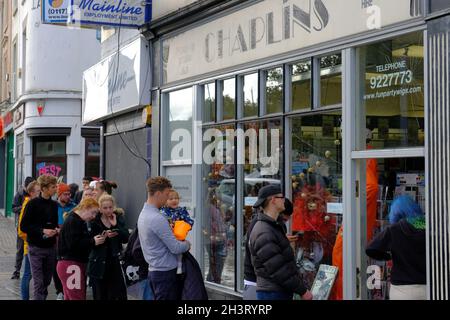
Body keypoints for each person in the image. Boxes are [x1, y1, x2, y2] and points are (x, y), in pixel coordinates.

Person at [248, 185, 313, 300]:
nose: (284, 200)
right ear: (273, 200)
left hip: (278, 291)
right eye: (281, 197)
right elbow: (278, 269)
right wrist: (302, 291)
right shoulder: (264, 230)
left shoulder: (273, 226)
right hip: (273, 293)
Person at [138, 177, 191, 300]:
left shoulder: (144, 213)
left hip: (155, 270)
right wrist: (187, 244)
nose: (168, 198)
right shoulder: (157, 218)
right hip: (165, 273)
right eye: (167, 194)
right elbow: (176, 248)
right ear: (158, 193)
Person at [366, 195, 426, 300]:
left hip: (401, 290)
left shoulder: (394, 230)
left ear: (395, 212)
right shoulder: (429, 227)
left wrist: (388, 256)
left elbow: (371, 249)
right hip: (429, 288)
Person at [243, 198, 295, 300]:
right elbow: (271, 261)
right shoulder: (261, 226)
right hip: (257, 282)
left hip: (263, 283)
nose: (285, 222)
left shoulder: (273, 225)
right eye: (284, 219)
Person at [57, 198, 106, 300]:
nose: (93, 216)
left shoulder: (75, 220)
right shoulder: (74, 221)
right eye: (93, 213)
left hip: (70, 264)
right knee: (77, 297)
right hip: (72, 265)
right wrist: (93, 241)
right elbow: (73, 244)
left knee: (71, 297)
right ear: (85, 208)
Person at [20, 174, 59, 300]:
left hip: (51, 247)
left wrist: (56, 230)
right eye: (53, 187)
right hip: (35, 248)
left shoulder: (54, 205)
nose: (56, 189)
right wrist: (42, 230)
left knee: (47, 281)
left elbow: (53, 223)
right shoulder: (32, 204)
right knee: (39, 282)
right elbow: (23, 226)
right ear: (44, 188)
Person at [88, 194, 129, 300]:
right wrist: (97, 240)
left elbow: (126, 238)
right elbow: (88, 242)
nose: (108, 210)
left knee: (118, 293)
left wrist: (115, 226)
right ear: (100, 209)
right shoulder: (94, 221)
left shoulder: (118, 218)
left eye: (110, 207)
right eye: (105, 208)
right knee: (101, 294)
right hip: (98, 262)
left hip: (114, 261)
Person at [161, 189, 194, 274]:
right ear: (165, 201)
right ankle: (170, 265)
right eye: (171, 199)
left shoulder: (181, 210)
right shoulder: (164, 211)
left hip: (179, 235)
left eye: (176, 198)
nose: (174, 200)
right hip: (169, 235)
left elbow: (189, 220)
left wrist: (187, 226)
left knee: (179, 251)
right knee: (169, 250)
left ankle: (179, 265)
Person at [53, 183, 78, 300]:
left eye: (69, 194)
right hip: (55, 242)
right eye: (65, 194)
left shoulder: (74, 206)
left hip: (70, 242)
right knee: (56, 267)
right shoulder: (53, 207)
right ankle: (59, 291)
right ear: (59, 195)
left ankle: (67, 290)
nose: (68, 196)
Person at [17, 181, 41, 300]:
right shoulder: (28, 204)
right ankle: (24, 298)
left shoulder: (35, 203)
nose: (40, 193)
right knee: (27, 274)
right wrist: (33, 237)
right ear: (31, 193)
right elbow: (21, 229)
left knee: (30, 274)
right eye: (38, 191)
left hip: (34, 244)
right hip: (30, 245)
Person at [11, 176, 35, 279]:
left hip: (33, 227)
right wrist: (25, 207)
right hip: (21, 227)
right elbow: (13, 208)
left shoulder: (35, 195)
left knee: (33, 249)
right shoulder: (19, 194)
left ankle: (32, 270)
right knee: (20, 249)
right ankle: (17, 271)